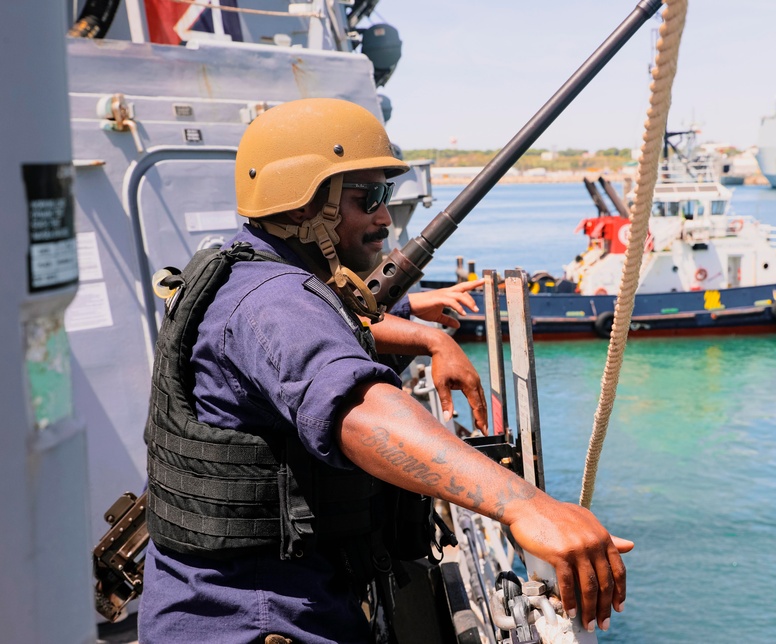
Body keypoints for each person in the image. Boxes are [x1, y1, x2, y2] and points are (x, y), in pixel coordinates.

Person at [138, 97, 631, 643]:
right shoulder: (273, 303)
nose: (382, 217)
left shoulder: (248, 269)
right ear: (304, 205)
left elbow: (343, 319)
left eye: (386, 195)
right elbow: (357, 408)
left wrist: (423, 329)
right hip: (261, 620)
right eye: (368, 196)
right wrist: (526, 506)